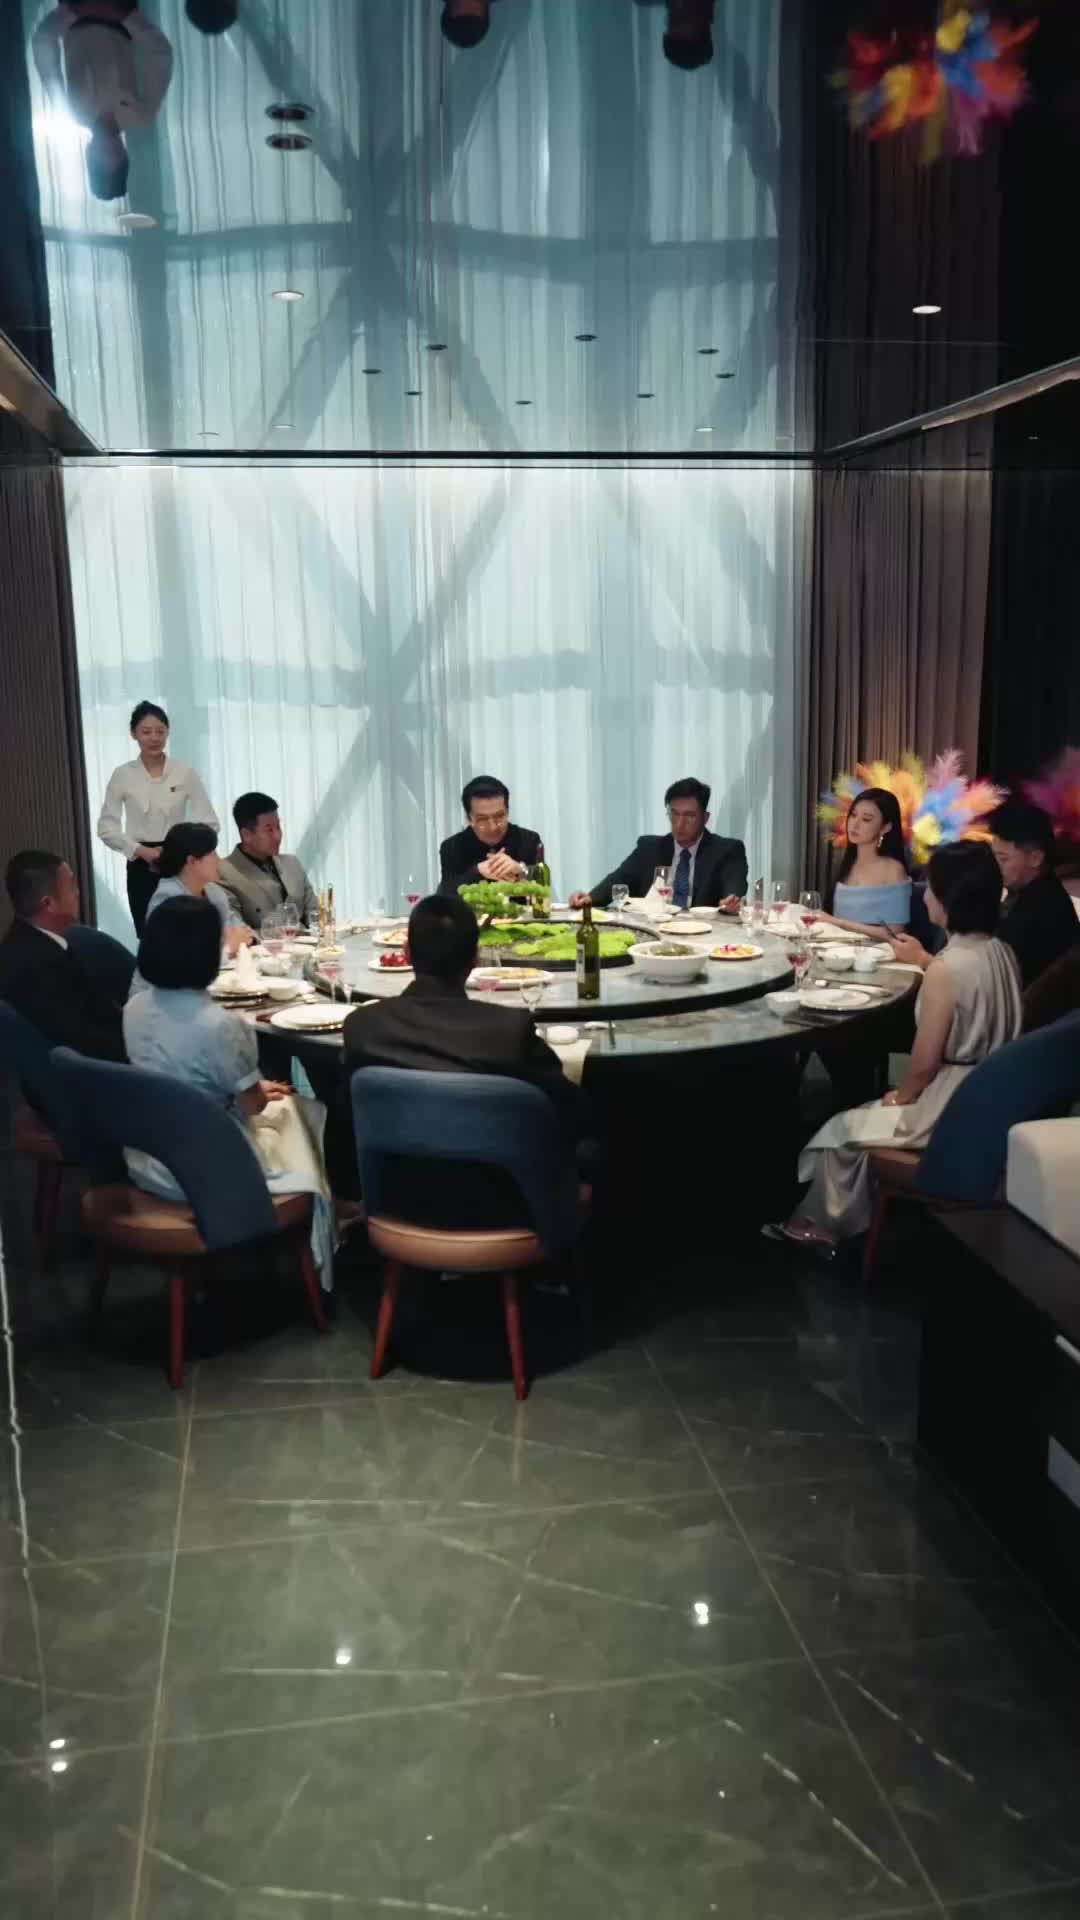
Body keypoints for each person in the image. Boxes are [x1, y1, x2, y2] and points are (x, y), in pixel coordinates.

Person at [765, 841, 1022, 1253]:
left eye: (931, 887)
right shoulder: (1000, 951)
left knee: (839, 1130)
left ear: (950, 899)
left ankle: (820, 1225)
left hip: (950, 1105)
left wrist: (900, 1097)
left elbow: (923, 1065)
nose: (925, 896)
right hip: (995, 1096)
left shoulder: (945, 970)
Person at [123, 896, 336, 1288]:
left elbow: (174, 1075)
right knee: (296, 1112)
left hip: (146, 1160)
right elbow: (252, 1106)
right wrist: (254, 1089)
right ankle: (325, 1226)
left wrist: (244, 1087)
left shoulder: (133, 1008)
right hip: (207, 1169)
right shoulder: (220, 1025)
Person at [345, 895, 587, 1225]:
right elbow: (572, 1114)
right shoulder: (509, 1031)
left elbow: (345, 1123)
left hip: (396, 1208)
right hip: (506, 1211)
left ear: (406, 953)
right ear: (475, 958)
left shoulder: (363, 1027)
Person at [97, 701, 219, 934]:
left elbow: (209, 822)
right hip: (140, 863)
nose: (154, 738)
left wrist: (188, 849)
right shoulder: (122, 774)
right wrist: (142, 851)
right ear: (134, 734)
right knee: (149, 933)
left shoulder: (184, 772)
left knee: (188, 929)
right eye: (146, 732)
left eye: (160, 731)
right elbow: (106, 828)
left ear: (168, 733)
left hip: (181, 861)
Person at [32, 2, 173, 202]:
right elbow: (160, 54)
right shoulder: (142, 112)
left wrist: (72, 13)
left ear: (89, 152)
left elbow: (42, 44)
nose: (109, 142)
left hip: (76, 9)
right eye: (115, 150)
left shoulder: (69, 110)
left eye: (102, 151)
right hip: (121, 10)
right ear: (124, 152)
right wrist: (125, 17)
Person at [0, 851, 125, 1062]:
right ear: (48, 903)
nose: (77, 892)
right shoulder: (33, 967)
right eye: (71, 885)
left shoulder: (33, 941)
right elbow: (83, 1040)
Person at [570, 777, 747, 912]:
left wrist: (731, 901)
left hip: (703, 934)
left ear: (705, 818)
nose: (679, 824)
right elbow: (618, 880)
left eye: (689, 816)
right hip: (655, 930)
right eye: (674, 814)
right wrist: (589, 898)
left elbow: (733, 888)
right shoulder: (649, 848)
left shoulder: (727, 850)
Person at [133, 824, 252, 989]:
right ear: (192, 861)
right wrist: (227, 948)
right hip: (160, 994)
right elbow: (180, 964)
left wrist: (236, 940)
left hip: (202, 986)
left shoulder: (213, 891)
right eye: (212, 853)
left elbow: (239, 931)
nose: (219, 860)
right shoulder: (167, 900)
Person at [991, 801, 1080, 990]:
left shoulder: (1040, 908)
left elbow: (995, 976)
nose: (995, 866)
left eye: (1003, 859)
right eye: (994, 857)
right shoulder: (1035, 890)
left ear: (1035, 858)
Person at [812, 788, 912, 936]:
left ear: (885, 827)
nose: (855, 824)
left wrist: (837, 922)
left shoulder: (893, 870)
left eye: (866, 819)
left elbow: (895, 934)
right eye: (853, 815)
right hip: (837, 946)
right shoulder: (848, 864)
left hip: (877, 949)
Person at [218, 793, 319, 934]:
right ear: (246, 834)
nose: (277, 836)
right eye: (269, 829)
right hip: (264, 947)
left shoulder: (292, 863)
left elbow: (315, 915)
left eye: (278, 827)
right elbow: (237, 933)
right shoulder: (224, 872)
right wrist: (283, 934)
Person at [438, 776, 542, 895]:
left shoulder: (529, 840)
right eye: (482, 819)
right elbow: (445, 894)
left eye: (499, 816)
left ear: (507, 812)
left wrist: (521, 871)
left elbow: (543, 888)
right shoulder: (452, 847)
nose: (493, 827)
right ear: (469, 819)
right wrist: (477, 872)